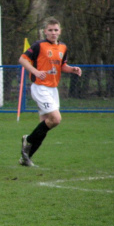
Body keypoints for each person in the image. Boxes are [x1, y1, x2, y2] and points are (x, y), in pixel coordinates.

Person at [18, 18, 82, 167]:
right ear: (45, 31)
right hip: (40, 87)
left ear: (60, 31)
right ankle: (28, 140)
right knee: (56, 119)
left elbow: (62, 66)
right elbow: (22, 59)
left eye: (56, 30)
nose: (53, 32)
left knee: (45, 125)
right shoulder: (38, 45)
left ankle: (25, 158)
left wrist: (72, 69)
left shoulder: (63, 47)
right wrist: (35, 71)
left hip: (53, 89)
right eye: (50, 30)